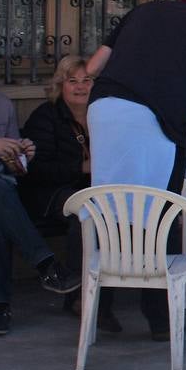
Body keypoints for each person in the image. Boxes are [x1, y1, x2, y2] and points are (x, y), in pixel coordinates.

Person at [85, 0, 186, 339]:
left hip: (102, 109)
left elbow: (92, 67)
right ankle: (159, 319)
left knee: (107, 207)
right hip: (154, 121)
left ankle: (92, 304)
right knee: (158, 213)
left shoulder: (142, 11)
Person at [0, 44, 80, 336]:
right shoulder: (49, 115)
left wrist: (21, 156)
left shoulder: (1, 104)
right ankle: (46, 266)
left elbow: (17, 168)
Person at [20, 56, 113, 329]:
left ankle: (104, 297)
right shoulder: (46, 116)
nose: (81, 87)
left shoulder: (101, 114)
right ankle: (78, 297)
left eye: (87, 80)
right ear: (60, 85)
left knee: (114, 212)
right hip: (51, 193)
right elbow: (38, 170)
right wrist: (82, 166)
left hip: (93, 189)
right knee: (85, 214)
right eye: (73, 81)